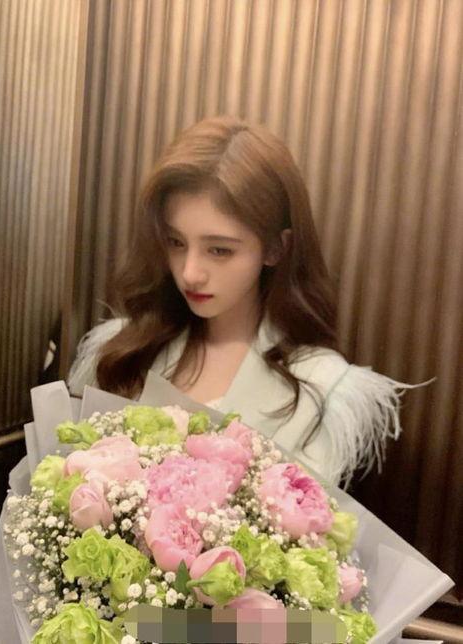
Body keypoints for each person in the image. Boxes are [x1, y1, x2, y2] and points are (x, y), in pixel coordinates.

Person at [67, 115, 422, 489]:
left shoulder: (321, 389)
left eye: (219, 250)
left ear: (275, 248)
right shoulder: (123, 351)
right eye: (175, 242)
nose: (190, 272)